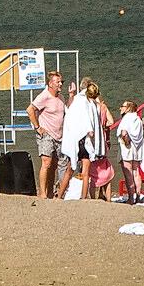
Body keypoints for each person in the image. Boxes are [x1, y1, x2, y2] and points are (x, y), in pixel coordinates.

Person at [26, 70, 76, 199]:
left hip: (59, 135)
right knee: (46, 163)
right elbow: (30, 109)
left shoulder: (60, 97)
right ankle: (42, 193)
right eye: (58, 82)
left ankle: (50, 192)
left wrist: (71, 95)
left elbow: (68, 110)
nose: (60, 84)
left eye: (61, 82)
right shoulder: (44, 96)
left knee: (55, 165)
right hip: (46, 134)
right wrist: (38, 127)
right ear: (50, 83)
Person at [58, 79, 101, 200]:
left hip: (75, 139)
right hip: (85, 139)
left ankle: (60, 195)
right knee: (85, 171)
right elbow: (88, 118)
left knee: (69, 169)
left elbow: (70, 114)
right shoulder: (89, 103)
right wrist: (89, 130)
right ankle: (83, 197)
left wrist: (71, 95)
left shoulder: (78, 100)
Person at [116, 101, 144, 205]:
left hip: (127, 148)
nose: (120, 108)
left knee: (128, 174)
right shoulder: (137, 119)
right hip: (137, 149)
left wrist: (126, 140)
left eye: (122, 106)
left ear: (128, 108)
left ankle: (131, 198)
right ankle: (137, 196)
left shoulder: (126, 119)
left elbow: (123, 132)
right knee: (136, 173)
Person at [89, 86, 115, 201]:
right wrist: (103, 126)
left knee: (92, 172)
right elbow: (111, 121)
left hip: (93, 141)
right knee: (105, 169)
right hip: (103, 141)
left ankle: (93, 198)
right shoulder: (103, 107)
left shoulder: (89, 107)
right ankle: (108, 199)